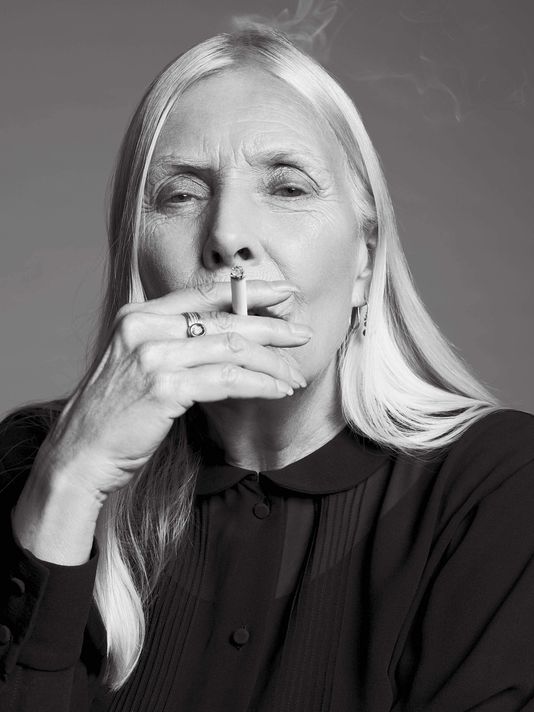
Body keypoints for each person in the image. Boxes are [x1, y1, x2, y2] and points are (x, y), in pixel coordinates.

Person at [1, 26, 534, 712]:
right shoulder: (34, 464)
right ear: (136, 255)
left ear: (365, 258)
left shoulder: (496, 489)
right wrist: (67, 484)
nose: (228, 237)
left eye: (287, 187)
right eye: (181, 195)